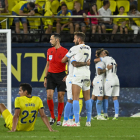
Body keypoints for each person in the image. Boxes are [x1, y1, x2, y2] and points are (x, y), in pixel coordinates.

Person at [62, 32, 92, 126]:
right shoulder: (89, 48)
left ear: (79, 39)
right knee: (87, 98)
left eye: (74, 38)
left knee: (74, 98)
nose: (73, 40)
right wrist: (86, 63)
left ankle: (76, 122)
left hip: (77, 75)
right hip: (87, 74)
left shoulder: (74, 49)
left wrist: (68, 57)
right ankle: (88, 121)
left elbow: (63, 60)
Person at [44, 33, 68, 126]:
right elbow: (47, 64)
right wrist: (45, 77)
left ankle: (59, 119)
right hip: (51, 76)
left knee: (60, 97)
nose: (50, 41)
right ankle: (52, 117)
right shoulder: (49, 50)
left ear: (57, 40)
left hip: (61, 75)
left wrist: (67, 75)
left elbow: (68, 64)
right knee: (49, 96)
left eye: (51, 39)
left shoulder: (65, 51)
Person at [94, 50, 120, 120]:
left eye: (102, 53)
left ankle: (105, 114)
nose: (101, 54)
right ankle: (116, 115)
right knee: (115, 97)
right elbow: (116, 65)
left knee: (105, 97)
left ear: (105, 54)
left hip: (110, 79)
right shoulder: (113, 59)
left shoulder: (105, 58)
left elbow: (95, 60)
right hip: (116, 79)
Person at [92, 49, 112, 120]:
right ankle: (99, 115)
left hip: (97, 80)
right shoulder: (101, 63)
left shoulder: (103, 61)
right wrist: (107, 69)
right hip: (99, 81)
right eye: (104, 53)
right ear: (101, 55)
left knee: (93, 98)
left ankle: (89, 115)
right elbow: (99, 72)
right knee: (99, 98)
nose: (105, 54)